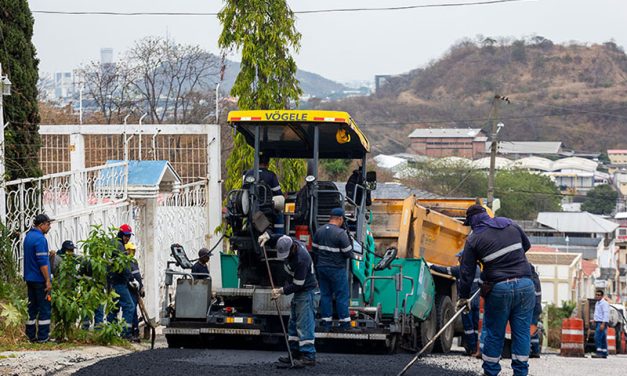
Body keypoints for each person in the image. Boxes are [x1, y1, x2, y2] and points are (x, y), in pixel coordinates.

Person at [458, 204, 534, 376]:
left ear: (472, 221)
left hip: (499, 289)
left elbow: (466, 272)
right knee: (522, 333)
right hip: (525, 285)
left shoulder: (473, 239)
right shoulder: (510, 224)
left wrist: (463, 297)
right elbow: (526, 245)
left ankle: (491, 372)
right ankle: (521, 372)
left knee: (494, 333)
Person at [267, 235, 319, 368]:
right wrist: (267, 236)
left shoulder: (302, 259)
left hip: (307, 292)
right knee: (293, 323)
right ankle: (294, 353)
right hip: (299, 293)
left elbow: (298, 285)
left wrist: (281, 291)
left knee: (304, 324)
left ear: (293, 248)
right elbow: (280, 237)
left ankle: (308, 356)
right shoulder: (289, 241)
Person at [430, 250, 481, 356]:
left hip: (466, 303)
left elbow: (445, 270)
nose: (458, 260)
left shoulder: (461, 270)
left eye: (460, 258)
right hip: (476, 301)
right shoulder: (478, 269)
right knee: (475, 326)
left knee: (468, 326)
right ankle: (476, 349)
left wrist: (432, 266)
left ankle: (471, 349)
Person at [312, 207, 352, 331]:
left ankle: (326, 322)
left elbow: (314, 249)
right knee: (341, 295)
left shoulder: (319, 231)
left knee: (325, 295)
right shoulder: (341, 234)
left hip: (322, 268)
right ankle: (344, 323)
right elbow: (348, 253)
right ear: (340, 219)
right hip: (337, 269)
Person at [23, 214, 54, 343]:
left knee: (32, 307)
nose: (49, 227)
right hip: (40, 279)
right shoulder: (40, 239)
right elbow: (42, 262)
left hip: (30, 278)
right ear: (41, 225)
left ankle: (30, 336)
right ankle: (43, 337)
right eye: (48, 224)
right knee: (45, 308)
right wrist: (47, 280)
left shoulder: (28, 237)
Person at [106, 223, 136, 340]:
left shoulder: (113, 244)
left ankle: (111, 333)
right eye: (126, 235)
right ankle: (125, 333)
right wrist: (131, 278)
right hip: (118, 282)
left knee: (114, 307)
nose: (127, 238)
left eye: (129, 236)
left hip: (112, 282)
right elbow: (123, 265)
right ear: (120, 234)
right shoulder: (119, 246)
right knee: (129, 306)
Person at [243, 153, 284, 234]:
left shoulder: (248, 174)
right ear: (268, 164)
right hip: (267, 209)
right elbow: (278, 194)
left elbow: (244, 191)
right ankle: (278, 237)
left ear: (257, 163)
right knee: (280, 214)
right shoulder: (271, 175)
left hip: (250, 209)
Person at [125, 242, 144, 338]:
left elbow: (138, 276)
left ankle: (135, 331)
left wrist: (141, 287)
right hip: (129, 289)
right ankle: (130, 331)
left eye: (133, 251)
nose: (132, 252)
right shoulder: (125, 262)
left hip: (136, 290)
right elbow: (128, 276)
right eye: (130, 250)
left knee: (134, 310)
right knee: (131, 310)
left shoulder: (134, 262)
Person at [529, 263, 542, 358]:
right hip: (537, 306)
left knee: (531, 328)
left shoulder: (531, 280)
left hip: (532, 306)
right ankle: (535, 349)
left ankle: (534, 350)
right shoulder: (536, 279)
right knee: (533, 328)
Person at [592, 289, 610, 358]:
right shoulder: (597, 303)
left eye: (599, 295)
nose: (597, 296)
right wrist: (594, 320)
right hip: (598, 322)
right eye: (596, 295)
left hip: (602, 323)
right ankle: (604, 353)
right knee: (602, 338)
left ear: (602, 296)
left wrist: (603, 324)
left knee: (597, 337)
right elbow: (598, 314)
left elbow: (606, 314)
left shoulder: (604, 303)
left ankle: (599, 352)